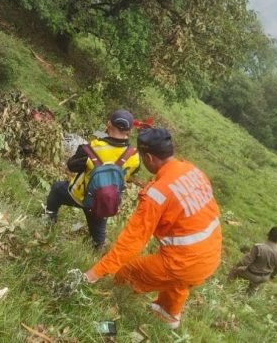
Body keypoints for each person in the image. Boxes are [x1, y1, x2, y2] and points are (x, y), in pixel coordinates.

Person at [84, 128, 222, 330]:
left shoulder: (157, 195)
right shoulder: (193, 171)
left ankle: (107, 311)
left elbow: (132, 241)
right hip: (211, 256)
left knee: (127, 274)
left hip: (184, 263)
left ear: (148, 157)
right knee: (177, 279)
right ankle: (168, 316)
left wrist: (96, 272)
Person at [45, 109, 141, 250]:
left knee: (57, 190)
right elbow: (133, 171)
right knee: (98, 236)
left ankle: (48, 221)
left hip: (79, 196)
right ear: (130, 131)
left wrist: (101, 137)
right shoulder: (134, 156)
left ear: (108, 123)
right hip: (104, 202)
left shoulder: (93, 147)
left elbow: (72, 166)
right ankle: (97, 249)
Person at [227, 227, 277, 294]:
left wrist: (237, 266)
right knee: (254, 285)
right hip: (265, 277)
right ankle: (247, 298)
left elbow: (246, 261)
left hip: (251, 273)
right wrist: (271, 276)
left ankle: (226, 288)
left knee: (234, 271)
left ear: (268, 234)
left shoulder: (259, 247)